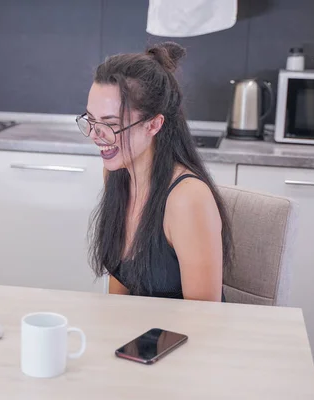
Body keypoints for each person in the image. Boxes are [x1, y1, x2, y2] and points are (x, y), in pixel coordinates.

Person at [77, 42, 233, 301]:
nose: (95, 135)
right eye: (91, 120)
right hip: (138, 334)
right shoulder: (117, 174)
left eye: (110, 124)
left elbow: (204, 320)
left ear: (153, 125)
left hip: (185, 338)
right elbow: (121, 294)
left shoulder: (187, 199)